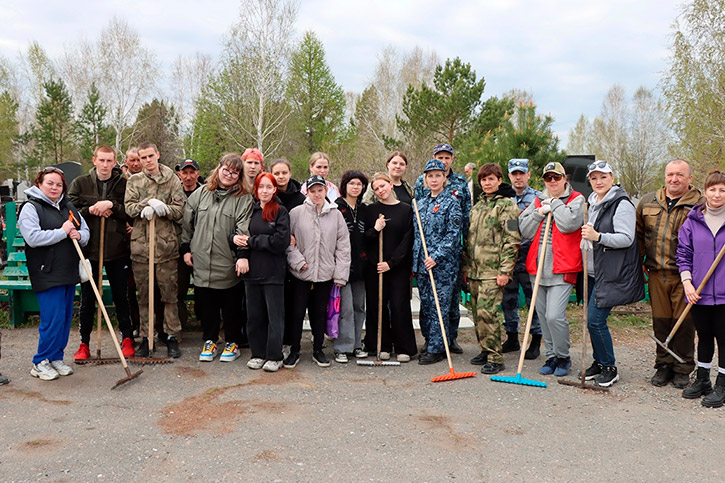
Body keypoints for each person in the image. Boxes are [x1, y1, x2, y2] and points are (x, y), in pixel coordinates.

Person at [18, 167, 90, 380]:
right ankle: (40, 361)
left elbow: (85, 230)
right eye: (50, 183)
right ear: (39, 184)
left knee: (65, 318)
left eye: (59, 185)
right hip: (46, 272)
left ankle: (56, 357)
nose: (54, 188)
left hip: (68, 270)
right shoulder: (31, 208)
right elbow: (33, 238)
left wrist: (79, 235)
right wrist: (63, 232)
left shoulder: (68, 206)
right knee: (52, 319)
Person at [636, 159, 702, 389]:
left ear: (689, 178)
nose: (674, 179)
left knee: (684, 323)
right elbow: (639, 234)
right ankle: (664, 364)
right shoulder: (648, 202)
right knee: (661, 321)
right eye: (670, 174)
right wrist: (641, 261)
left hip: (687, 276)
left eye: (680, 175)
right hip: (656, 273)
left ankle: (683, 367)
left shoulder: (700, 204)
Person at [182, 153, 253, 363]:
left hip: (227, 262)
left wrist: (242, 256)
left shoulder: (243, 198)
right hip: (201, 260)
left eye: (235, 172)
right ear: (219, 168)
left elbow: (244, 230)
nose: (229, 175)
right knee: (207, 305)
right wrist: (186, 249)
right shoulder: (201, 193)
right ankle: (210, 340)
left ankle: (232, 341)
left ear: (239, 176)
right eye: (226, 170)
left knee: (231, 306)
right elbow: (187, 224)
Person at [580, 161, 644, 387]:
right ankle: (599, 362)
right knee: (591, 321)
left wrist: (598, 237)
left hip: (610, 272)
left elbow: (626, 238)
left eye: (603, 177)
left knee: (596, 320)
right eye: (594, 178)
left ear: (612, 178)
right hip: (593, 272)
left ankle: (609, 367)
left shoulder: (621, 204)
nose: (598, 182)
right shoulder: (593, 202)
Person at [68, 145, 135, 360]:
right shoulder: (81, 183)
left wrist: (112, 206)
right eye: (101, 160)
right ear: (94, 160)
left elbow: (130, 213)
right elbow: (69, 211)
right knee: (88, 298)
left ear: (115, 162)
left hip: (117, 250)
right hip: (89, 250)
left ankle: (127, 338)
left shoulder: (124, 184)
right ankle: (84, 343)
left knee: (121, 296)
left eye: (109, 161)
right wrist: (92, 209)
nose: (105, 165)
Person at [519, 161, 584, 377]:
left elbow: (568, 225)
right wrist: (539, 212)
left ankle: (563, 356)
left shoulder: (577, 199)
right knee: (543, 316)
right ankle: (551, 356)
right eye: (548, 178)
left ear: (565, 178)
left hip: (562, 267)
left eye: (557, 177)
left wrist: (554, 205)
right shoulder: (538, 200)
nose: (553, 181)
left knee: (555, 315)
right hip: (537, 268)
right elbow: (525, 230)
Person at [124, 142, 185, 358]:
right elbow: (129, 208)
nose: (147, 161)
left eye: (150, 156)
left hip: (165, 246)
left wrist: (164, 208)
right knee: (144, 296)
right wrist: (146, 204)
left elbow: (179, 210)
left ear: (157, 155)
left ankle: (171, 336)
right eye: (143, 157)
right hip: (142, 247)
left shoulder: (172, 179)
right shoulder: (134, 181)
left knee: (169, 294)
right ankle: (146, 336)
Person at [285, 175, 350, 368]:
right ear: (307, 192)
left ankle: (318, 350)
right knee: (297, 313)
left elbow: (343, 246)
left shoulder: (336, 215)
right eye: (312, 191)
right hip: (301, 274)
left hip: (325, 274)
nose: (316, 194)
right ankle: (295, 350)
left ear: (325, 191)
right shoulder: (296, 213)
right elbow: (288, 242)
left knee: (319, 314)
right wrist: (298, 262)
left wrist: (340, 274)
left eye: (320, 190)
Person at [463, 163, 521, 374]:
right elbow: (469, 240)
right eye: (483, 180)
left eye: (491, 179)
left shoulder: (507, 206)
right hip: (475, 271)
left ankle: (496, 357)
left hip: (493, 271)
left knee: (488, 313)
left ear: (499, 180)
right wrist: (466, 267)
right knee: (478, 314)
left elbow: (512, 240)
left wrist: (505, 271)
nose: (487, 183)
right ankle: (485, 349)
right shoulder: (477, 207)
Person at [414, 144, 471, 354]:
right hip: (423, 264)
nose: (434, 179)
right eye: (430, 176)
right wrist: (417, 260)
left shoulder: (451, 202)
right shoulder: (420, 204)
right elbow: (417, 235)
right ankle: (430, 341)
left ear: (444, 178)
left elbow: (453, 235)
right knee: (427, 305)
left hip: (443, 264)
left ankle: (438, 348)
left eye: (438, 175)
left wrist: (436, 256)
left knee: (441, 305)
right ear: (425, 179)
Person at [677, 170, 725, 407]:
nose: (717, 194)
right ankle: (703, 379)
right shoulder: (693, 221)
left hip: (724, 295)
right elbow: (683, 254)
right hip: (699, 292)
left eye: (722, 190)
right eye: (712, 189)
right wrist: (687, 283)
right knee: (704, 337)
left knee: (724, 339)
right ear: (704, 192)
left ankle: (722, 385)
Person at [236, 173, 290, 371]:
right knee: (255, 316)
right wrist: (240, 246)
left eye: (269, 187)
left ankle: (275, 356)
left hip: (273, 272)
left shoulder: (280, 211)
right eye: (261, 187)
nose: (264, 191)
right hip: (252, 272)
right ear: (256, 189)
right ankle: (258, 354)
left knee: (274, 317)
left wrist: (253, 241)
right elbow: (240, 234)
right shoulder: (250, 210)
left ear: (275, 189)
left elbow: (280, 242)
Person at [364, 173, 417, 361]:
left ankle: (404, 347)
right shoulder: (371, 210)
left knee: (399, 305)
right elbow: (365, 239)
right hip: (376, 266)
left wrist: (391, 263)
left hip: (398, 267)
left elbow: (407, 240)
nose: (380, 190)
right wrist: (375, 229)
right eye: (376, 189)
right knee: (377, 306)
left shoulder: (406, 210)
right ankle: (381, 344)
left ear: (391, 185)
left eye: (383, 186)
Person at [501, 159, 543, 359]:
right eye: (514, 174)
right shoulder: (504, 198)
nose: (518, 177)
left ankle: (535, 340)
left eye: (521, 173)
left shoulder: (538, 198)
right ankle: (511, 337)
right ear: (509, 176)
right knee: (508, 299)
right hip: (509, 256)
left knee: (532, 299)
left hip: (529, 255)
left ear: (528, 175)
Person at [334, 170, 369, 363]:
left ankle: (356, 345)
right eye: (352, 183)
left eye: (359, 184)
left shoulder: (364, 209)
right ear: (345, 185)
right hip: (342, 266)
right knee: (345, 308)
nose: (355, 187)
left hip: (361, 265)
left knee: (359, 307)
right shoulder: (336, 208)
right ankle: (342, 347)